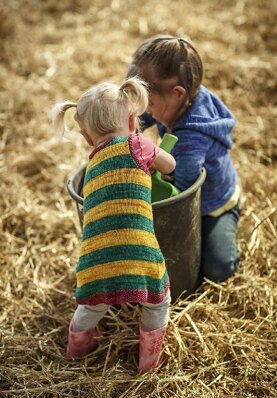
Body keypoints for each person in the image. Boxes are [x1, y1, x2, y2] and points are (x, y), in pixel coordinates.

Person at [51, 77, 175, 373]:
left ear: (86, 137)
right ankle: (149, 362)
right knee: (158, 301)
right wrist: (154, 154)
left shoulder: (92, 164)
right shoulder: (137, 144)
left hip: (94, 264)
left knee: (91, 305)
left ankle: (77, 349)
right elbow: (170, 166)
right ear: (133, 120)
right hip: (140, 258)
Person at [127, 34, 240, 283]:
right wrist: (126, 134)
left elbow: (182, 195)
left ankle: (231, 216)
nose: (145, 110)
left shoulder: (191, 138)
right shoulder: (179, 98)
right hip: (191, 184)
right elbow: (142, 120)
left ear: (178, 93)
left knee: (217, 269)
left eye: (149, 102)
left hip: (211, 203)